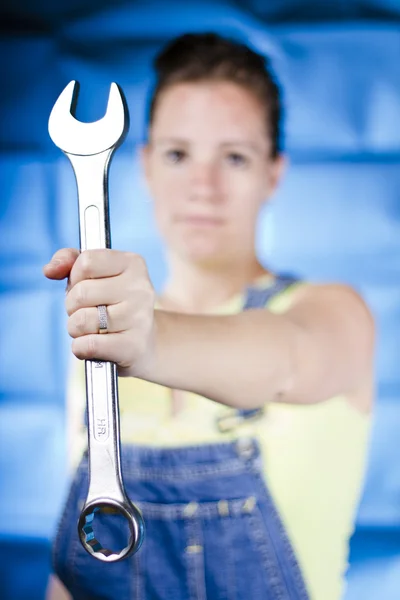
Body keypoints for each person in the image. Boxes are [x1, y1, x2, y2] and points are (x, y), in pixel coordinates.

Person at [44, 32, 374, 600]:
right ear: (145, 166)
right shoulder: (92, 338)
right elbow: (80, 572)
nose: (204, 187)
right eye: (178, 154)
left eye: (235, 157)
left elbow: (287, 357)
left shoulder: (332, 314)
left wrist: (151, 344)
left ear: (274, 173)